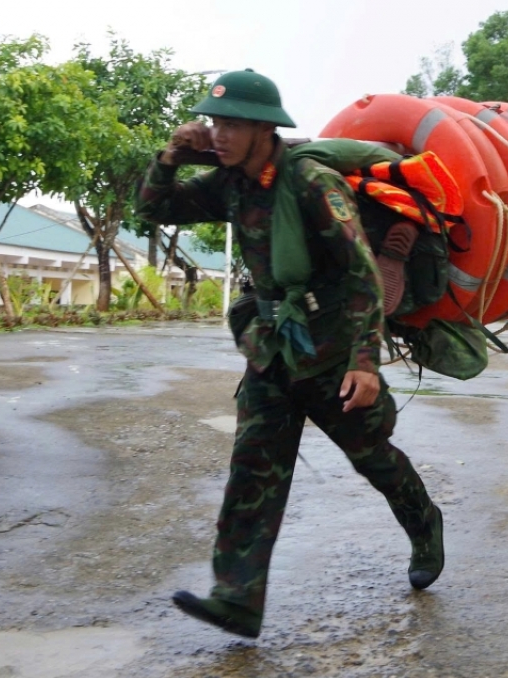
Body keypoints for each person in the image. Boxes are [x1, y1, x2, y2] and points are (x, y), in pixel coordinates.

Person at [135, 69, 442, 639]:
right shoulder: (230, 184)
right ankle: (237, 598)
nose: (220, 134)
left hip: (332, 354)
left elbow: (363, 276)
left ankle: (426, 525)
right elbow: (156, 209)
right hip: (272, 353)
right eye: (216, 122)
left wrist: (364, 363)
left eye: (234, 124)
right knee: (252, 471)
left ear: (264, 128)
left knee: (372, 457)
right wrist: (170, 156)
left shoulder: (311, 183)